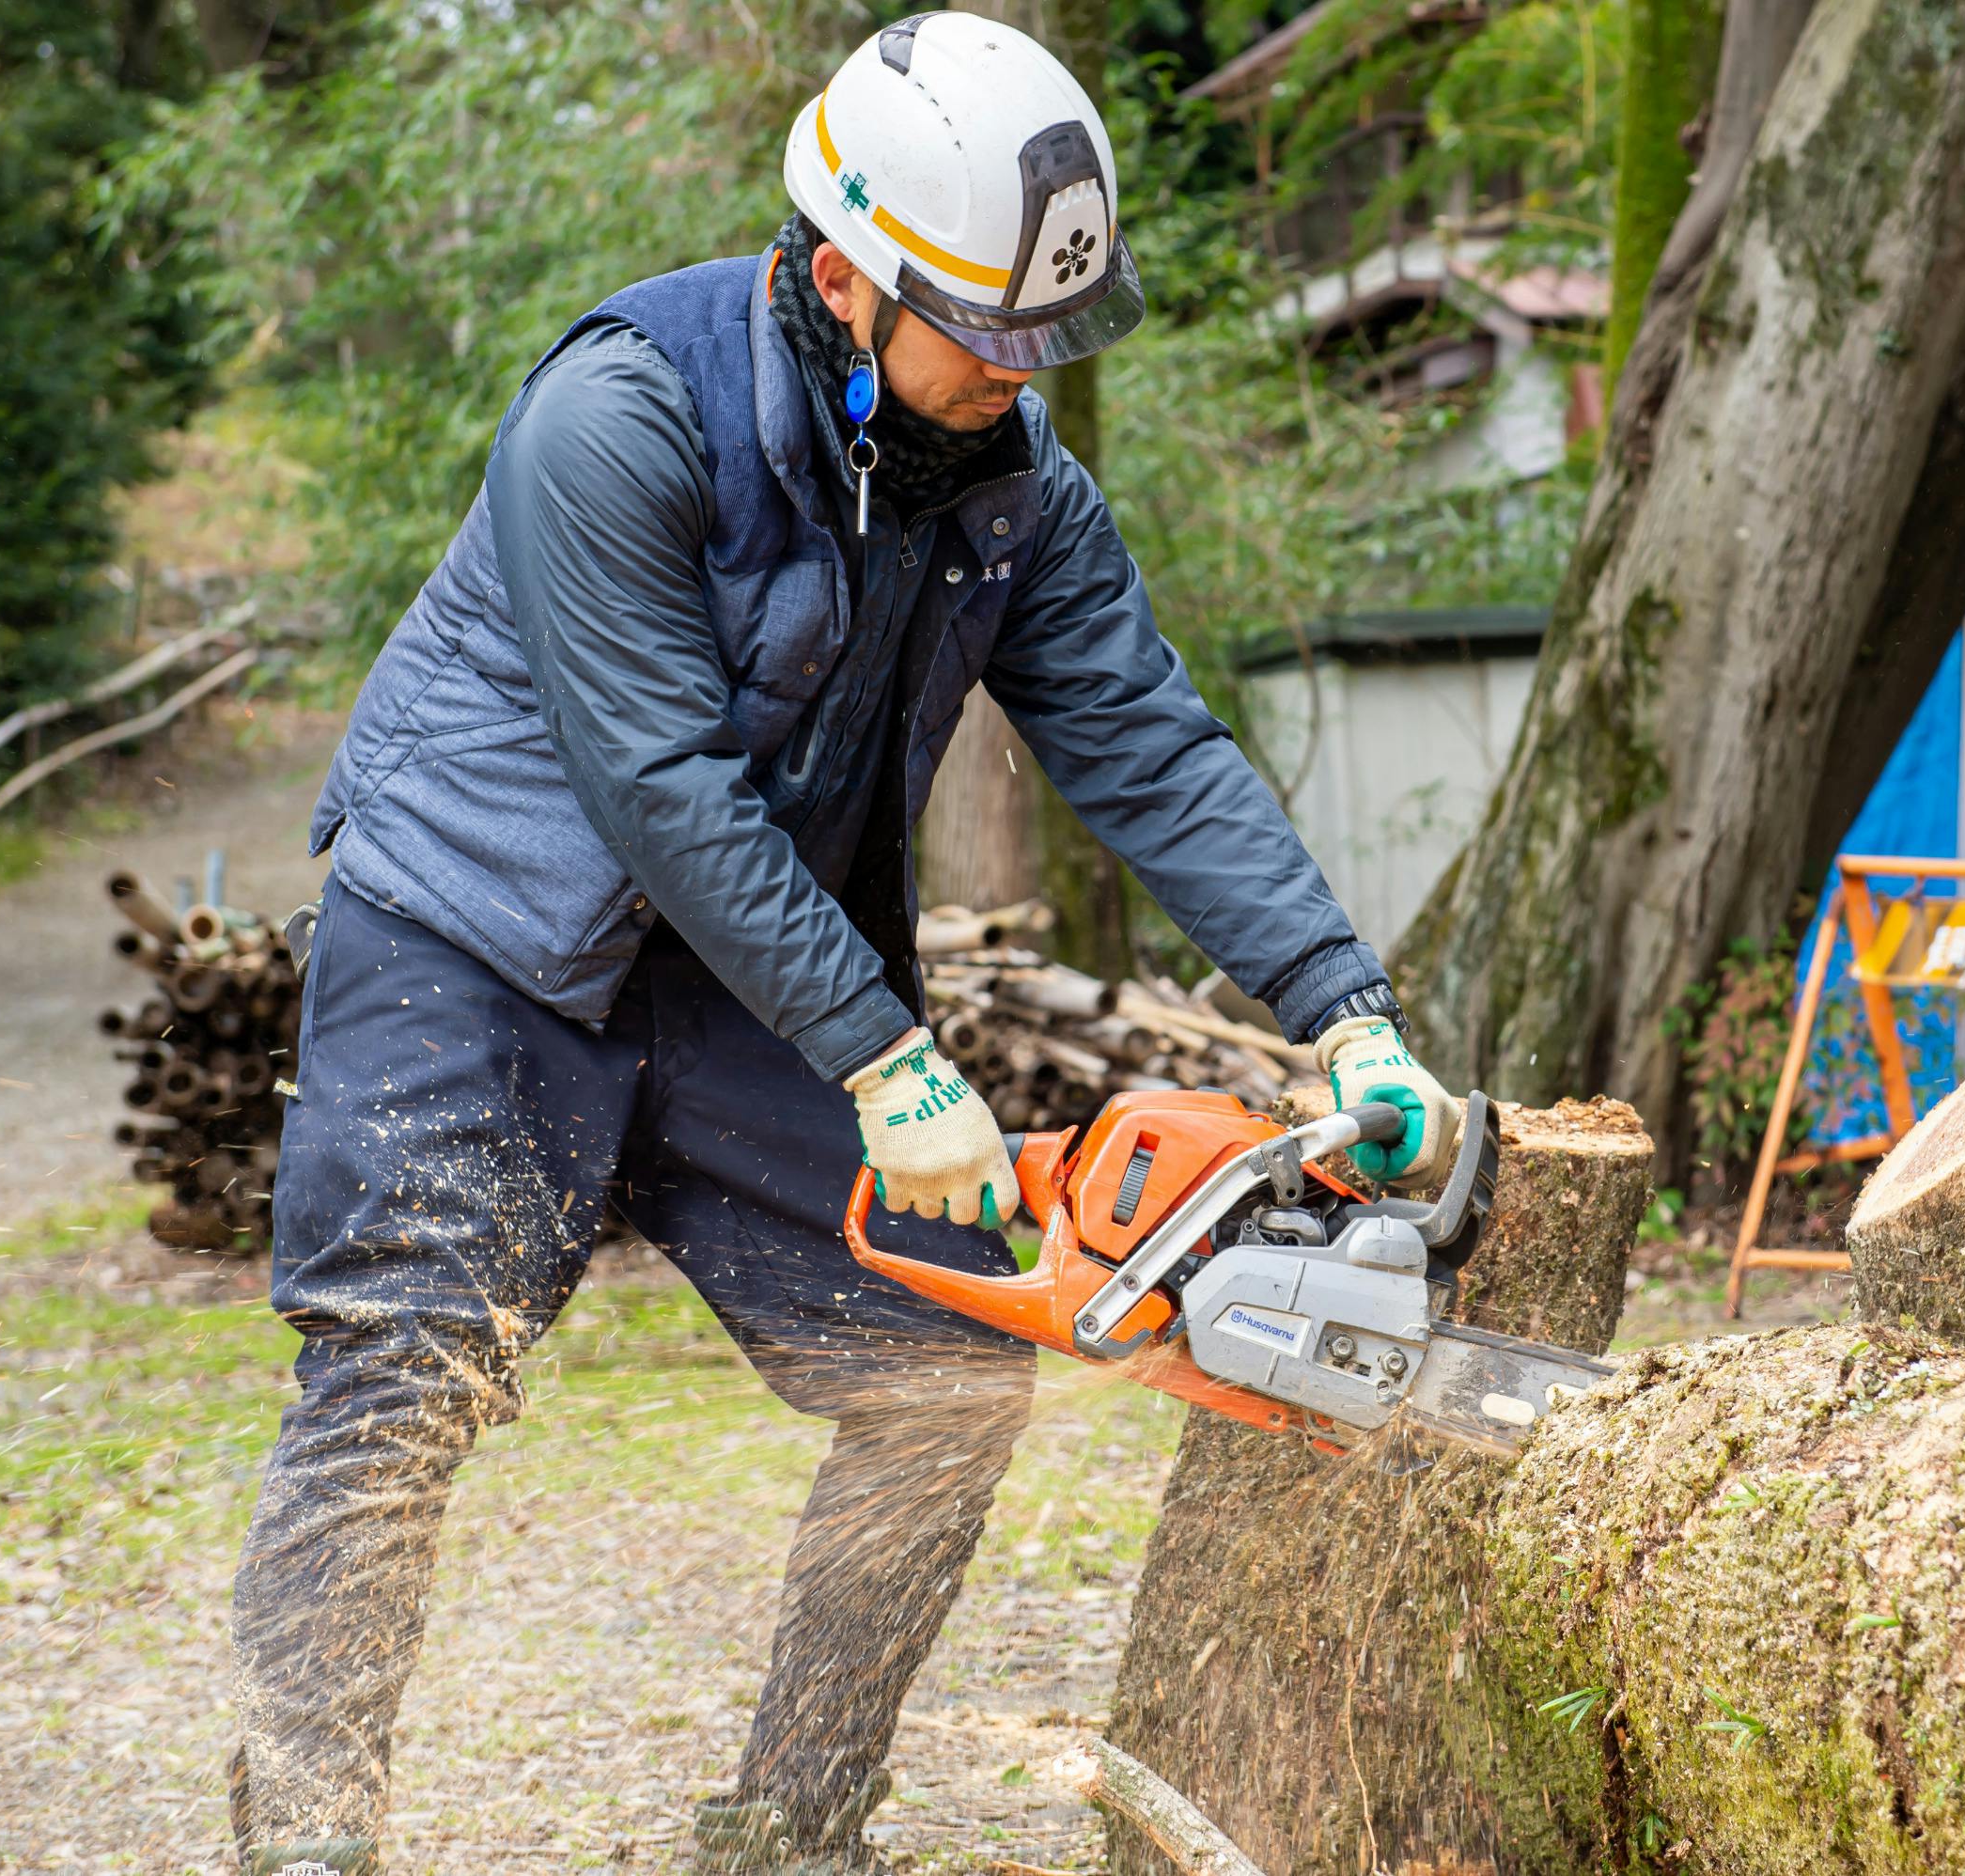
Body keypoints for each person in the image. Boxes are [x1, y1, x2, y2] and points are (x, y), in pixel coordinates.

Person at [227, 17, 1460, 1874]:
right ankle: (301, 1845)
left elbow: (1150, 743)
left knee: (942, 1372)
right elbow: (658, 782)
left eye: (1051, 339)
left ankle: (791, 1829)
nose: (1021, 375)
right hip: (473, 948)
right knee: (399, 1373)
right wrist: (893, 1060)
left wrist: (1345, 1009)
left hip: (730, 981)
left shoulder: (1009, 480)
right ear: (838, 275)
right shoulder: (619, 416)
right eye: (990, 334)